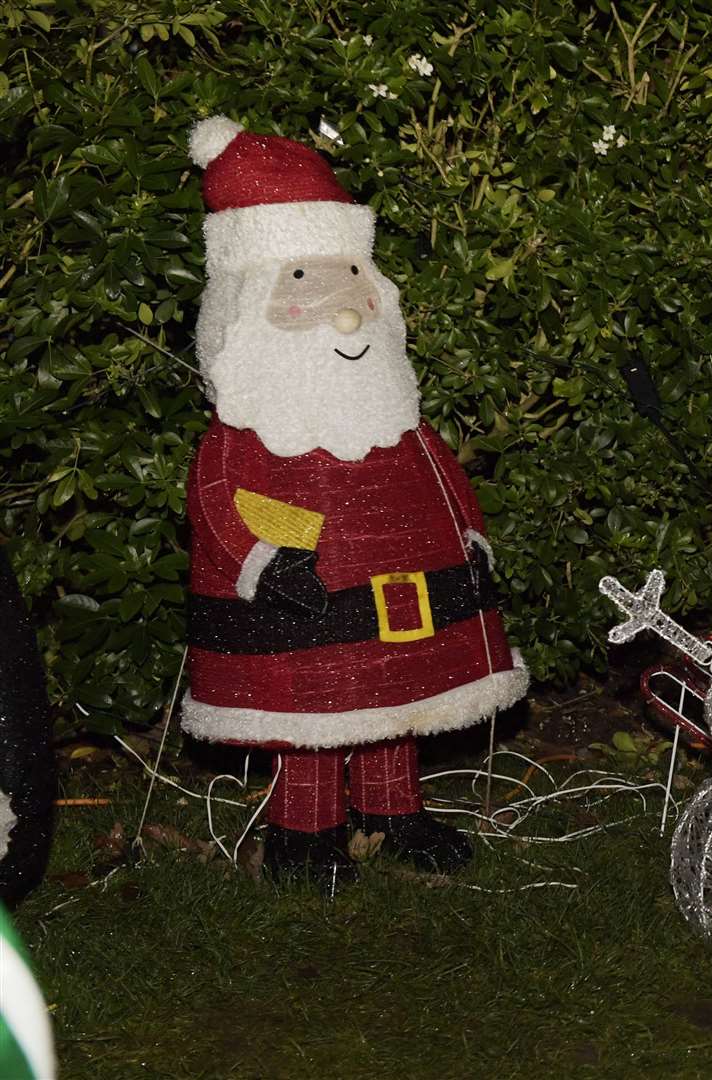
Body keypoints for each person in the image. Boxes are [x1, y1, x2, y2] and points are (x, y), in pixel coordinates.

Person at [180, 117, 528, 893]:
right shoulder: (242, 437)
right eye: (303, 283)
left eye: (349, 279)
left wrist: (469, 542)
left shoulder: (397, 418)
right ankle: (304, 830)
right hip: (301, 595)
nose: (344, 309)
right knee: (315, 707)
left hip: (408, 593)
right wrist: (263, 563)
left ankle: (395, 812)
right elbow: (218, 503)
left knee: (395, 694)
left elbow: (446, 480)